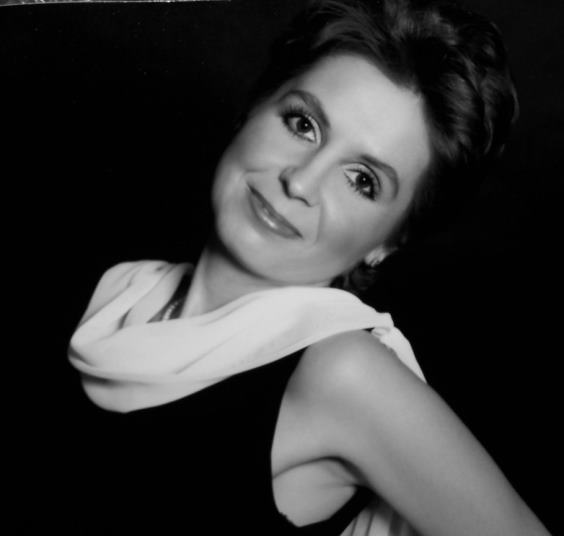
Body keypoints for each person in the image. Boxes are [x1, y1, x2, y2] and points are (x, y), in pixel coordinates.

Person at [67, 0, 550, 534]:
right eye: (303, 124)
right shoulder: (123, 290)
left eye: (362, 180)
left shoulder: (344, 372)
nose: (300, 182)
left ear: (387, 243)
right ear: (253, 107)